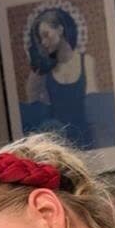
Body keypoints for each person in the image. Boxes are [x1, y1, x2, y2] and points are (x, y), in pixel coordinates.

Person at [25, 7, 99, 144]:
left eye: (46, 35)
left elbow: (93, 104)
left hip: (86, 139)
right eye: (40, 39)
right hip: (59, 142)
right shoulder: (44, 70)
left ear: (60, 29)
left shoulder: (87, 61)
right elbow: (33, 101)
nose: (43, 42)